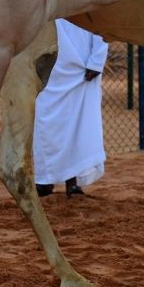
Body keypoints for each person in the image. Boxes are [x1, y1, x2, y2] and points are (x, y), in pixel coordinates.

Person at [33, 19, 108, 197]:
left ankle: (72, 182)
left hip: (83, 69)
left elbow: (103, 23)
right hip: (49, 66)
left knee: (79, 127)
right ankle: (44, 180)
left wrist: (96, 61)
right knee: (45, 123)